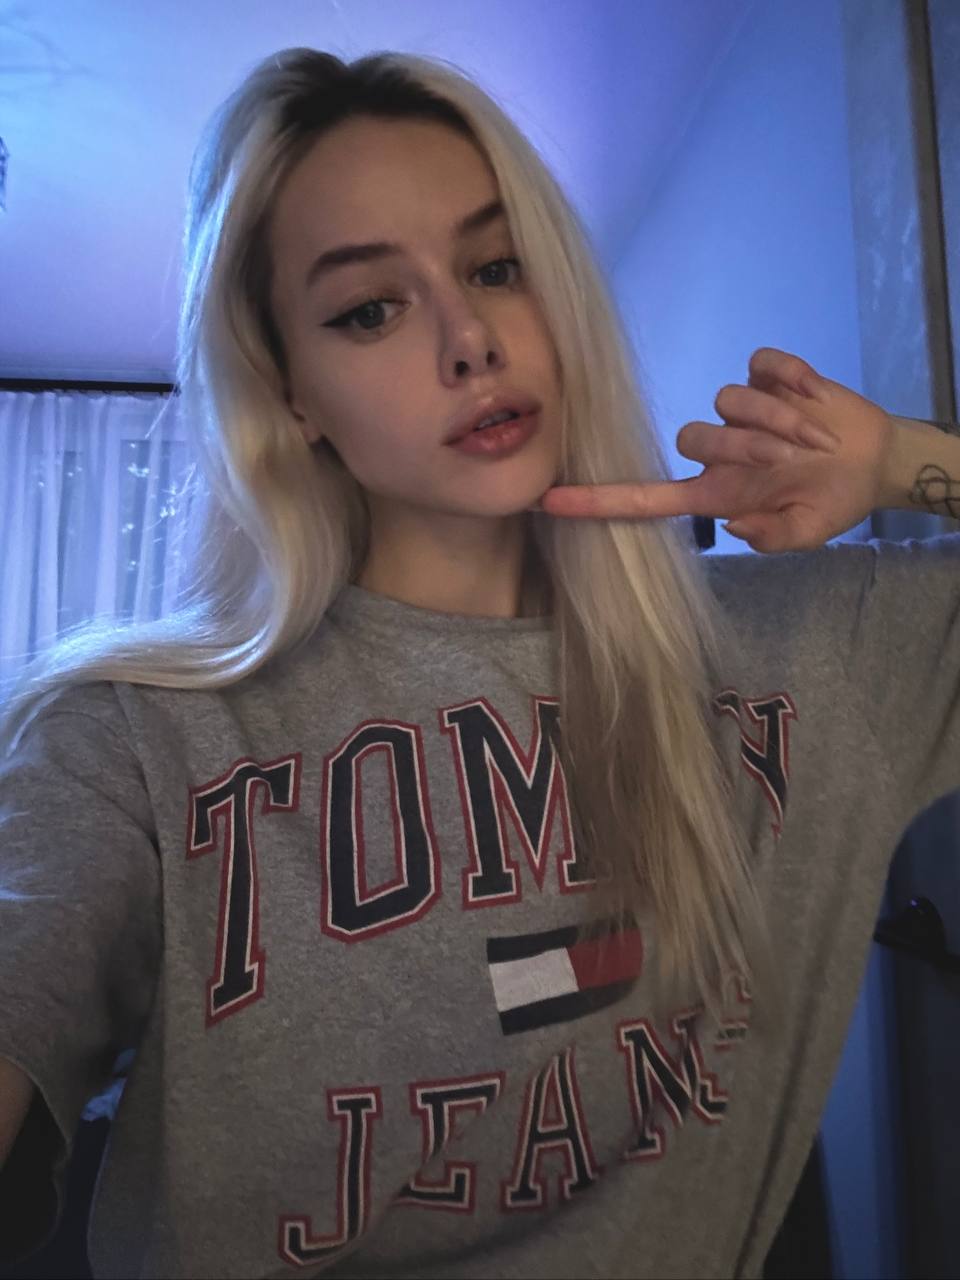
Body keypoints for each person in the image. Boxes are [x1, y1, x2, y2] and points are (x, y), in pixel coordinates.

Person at [1, 46, 958, 1280]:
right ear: (293, 394)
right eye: (370, 309)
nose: (469, 342)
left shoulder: (807, 651)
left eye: (497, 267)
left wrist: (901, 462)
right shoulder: (127, 737)